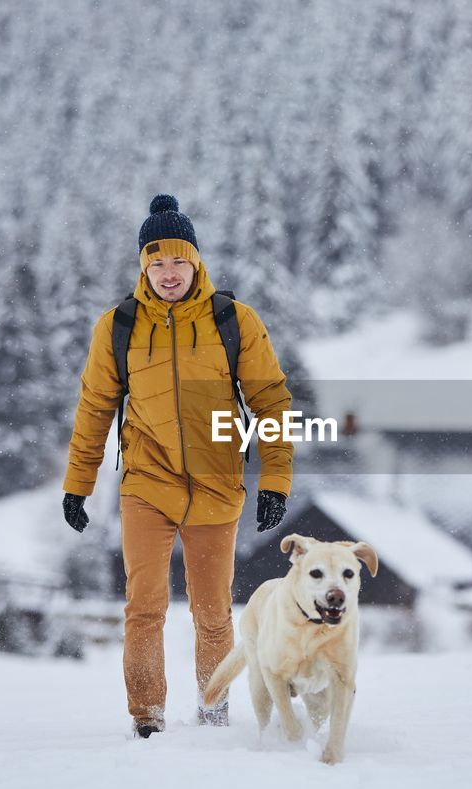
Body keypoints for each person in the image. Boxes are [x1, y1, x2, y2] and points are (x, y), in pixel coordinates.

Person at [60, 194, 293, 738]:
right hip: (146, 481)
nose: (168, 274)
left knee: (212, 612)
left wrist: (275, 481)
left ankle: (213, 715)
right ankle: (147, 719)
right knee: (145, 608)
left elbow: (271, 402)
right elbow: (94, 408)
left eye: (178, 261)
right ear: (144, 265)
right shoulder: (117, 327)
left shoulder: (234, 322)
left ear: (196, 261)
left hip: (217, 484)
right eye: (156, 262)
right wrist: (78, 485)